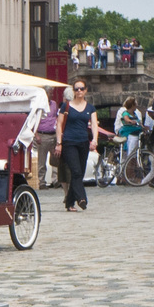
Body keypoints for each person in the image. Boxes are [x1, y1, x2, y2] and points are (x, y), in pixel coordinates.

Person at [59, 79, 94, 212]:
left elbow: (94, 125)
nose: (79, 91)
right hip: (69, 142)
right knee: (76, 171)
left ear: (85, 90)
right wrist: (58, 142)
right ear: (73, 91)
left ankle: (69, 202)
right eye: (76, 89)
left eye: (81, 88)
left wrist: (94, 140)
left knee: (79, 173)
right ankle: (82, 198)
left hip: (83, 142)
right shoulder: (66, 106)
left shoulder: (90, 108)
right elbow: (59, 125)